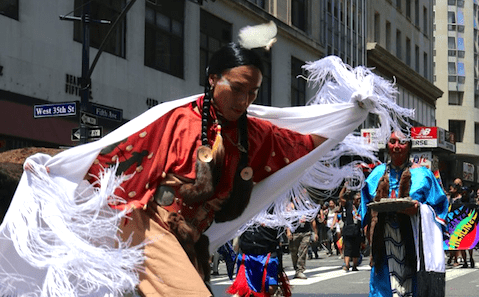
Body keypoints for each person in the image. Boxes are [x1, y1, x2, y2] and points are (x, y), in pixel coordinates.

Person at [0, 23, 413, 295]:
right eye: (238, 88)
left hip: (191, 245)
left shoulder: (254, 133)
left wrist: (350, 111)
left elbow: (304, 137)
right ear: (213, 78)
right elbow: (111, 159)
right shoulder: (173, 120)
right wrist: (53, 171)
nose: (246, 100)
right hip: (145, 228)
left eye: (254, 93)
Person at [360, 131, 448, 297]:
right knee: (383, 289)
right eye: (392, 142)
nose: (396, 146)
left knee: (413, 289)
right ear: (387, 145)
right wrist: (368, 233)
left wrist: (420, 210)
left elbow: (440, 206)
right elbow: (365, 209)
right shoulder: (376, 175)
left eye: (402, 142)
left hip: (413, 243)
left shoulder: (423, 175)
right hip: (383, 246)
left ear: (409, 146)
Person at [227, 224, 291, 297]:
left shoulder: (272, 215)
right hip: (247, 253)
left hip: (268, 252)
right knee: (243, 289)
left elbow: (280, 228)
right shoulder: (244, 214)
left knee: (270, 288)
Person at [339, 184, 362, 271]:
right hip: (348, 229)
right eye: (357, 199)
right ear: (354, 199)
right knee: (348, 247)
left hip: (357, 229)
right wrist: (344, 187)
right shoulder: (348, 205)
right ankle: (347, 264)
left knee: (356, 248)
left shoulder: (361, 207)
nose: (359, 200)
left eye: (360, 199)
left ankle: (355, 265)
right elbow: (341, 198)